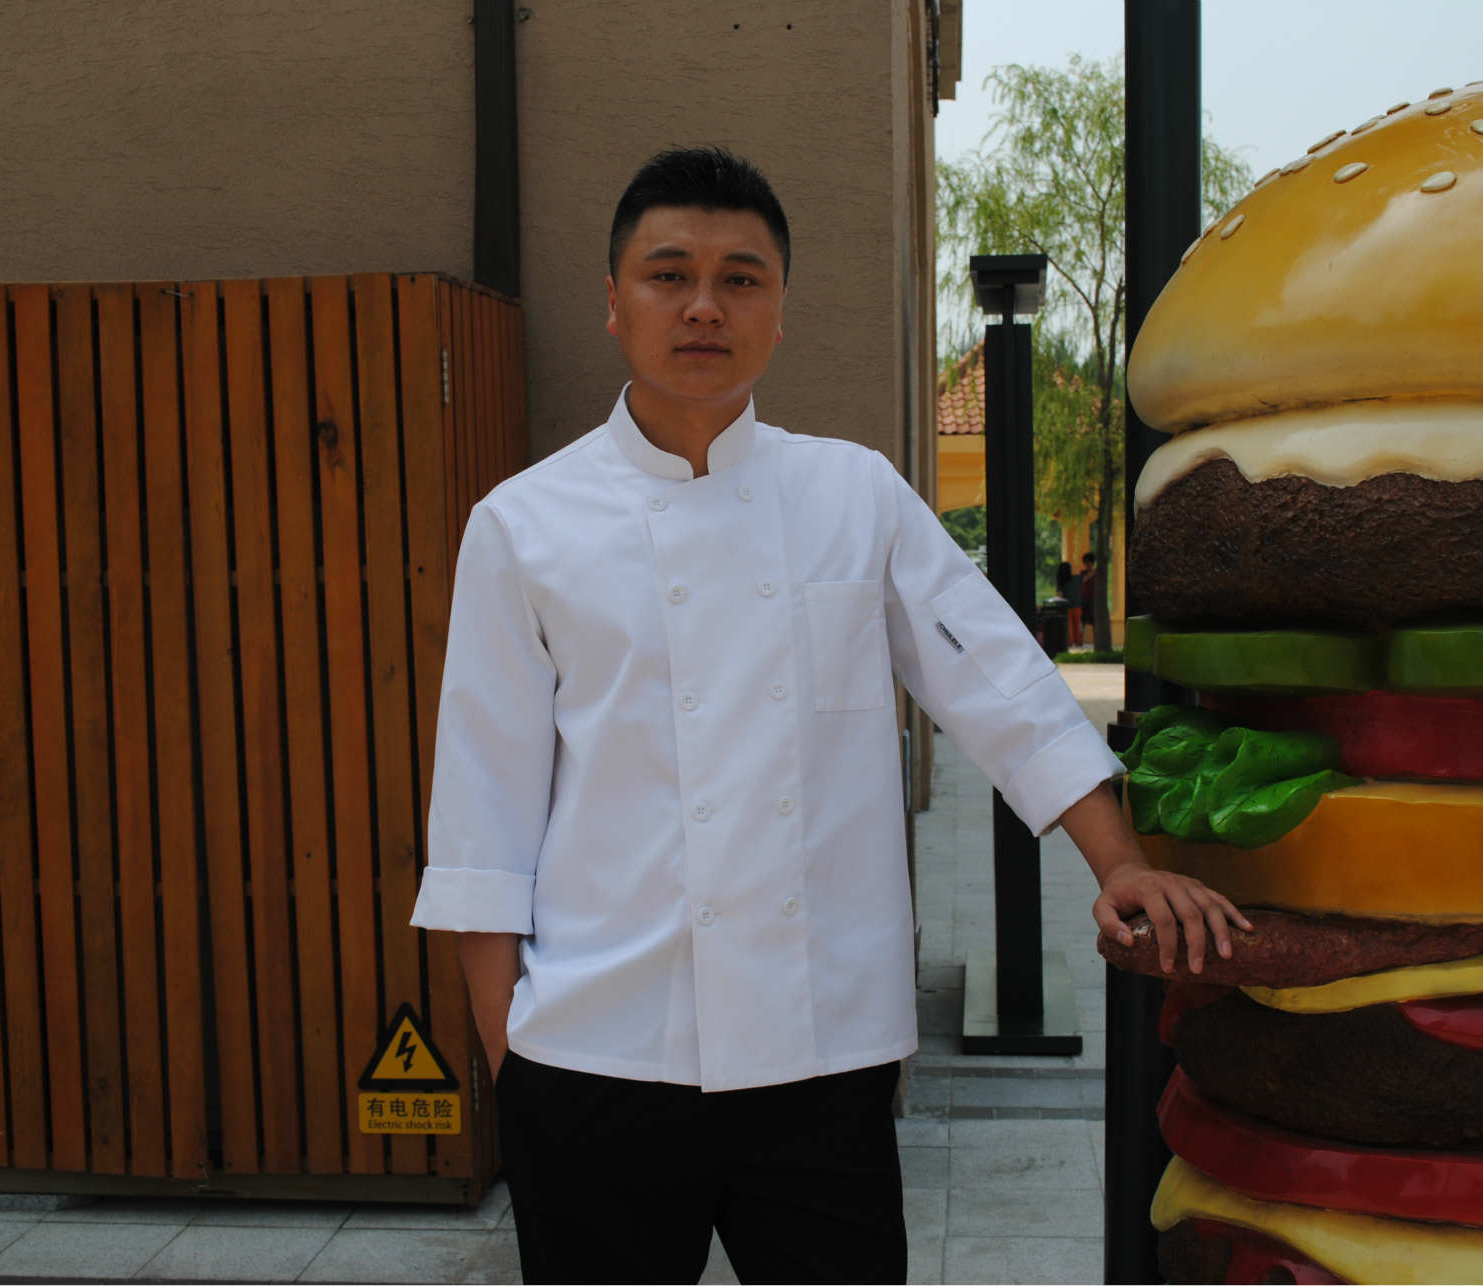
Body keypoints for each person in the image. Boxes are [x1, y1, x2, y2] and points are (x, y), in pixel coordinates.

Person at [409, 146, 1246, 1285]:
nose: (705, 304)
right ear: (613, 303)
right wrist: (513, 1058)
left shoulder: (854, 495)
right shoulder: (521, 525)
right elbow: (483, 812)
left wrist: (1118, 861)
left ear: (781, 311)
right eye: (669, 274)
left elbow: (995, 679)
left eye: (742, 278)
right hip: (594, 1053)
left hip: (820, 1059)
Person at [1058, 558, 1082, 648]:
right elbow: (1085, 578)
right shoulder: (1076, 578)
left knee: (1069, 626)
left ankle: (1070, 643)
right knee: (1077, 625)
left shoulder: (1061, 582)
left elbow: (1060, 595)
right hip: (1077, 605)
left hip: (1067, 606)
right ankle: (1078, 642)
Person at [1079, 550, 1100, 650]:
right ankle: (1080, 641)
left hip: (1094, 601)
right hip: (1084, 600)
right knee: (1082, 622)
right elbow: (1083, 580)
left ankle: (1097, 642)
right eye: (1086, 563)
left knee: (1095, 622)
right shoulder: (1083, 573)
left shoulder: (1097, 574)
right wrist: (1092, 573)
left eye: (1089, 562)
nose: (1087, 565)